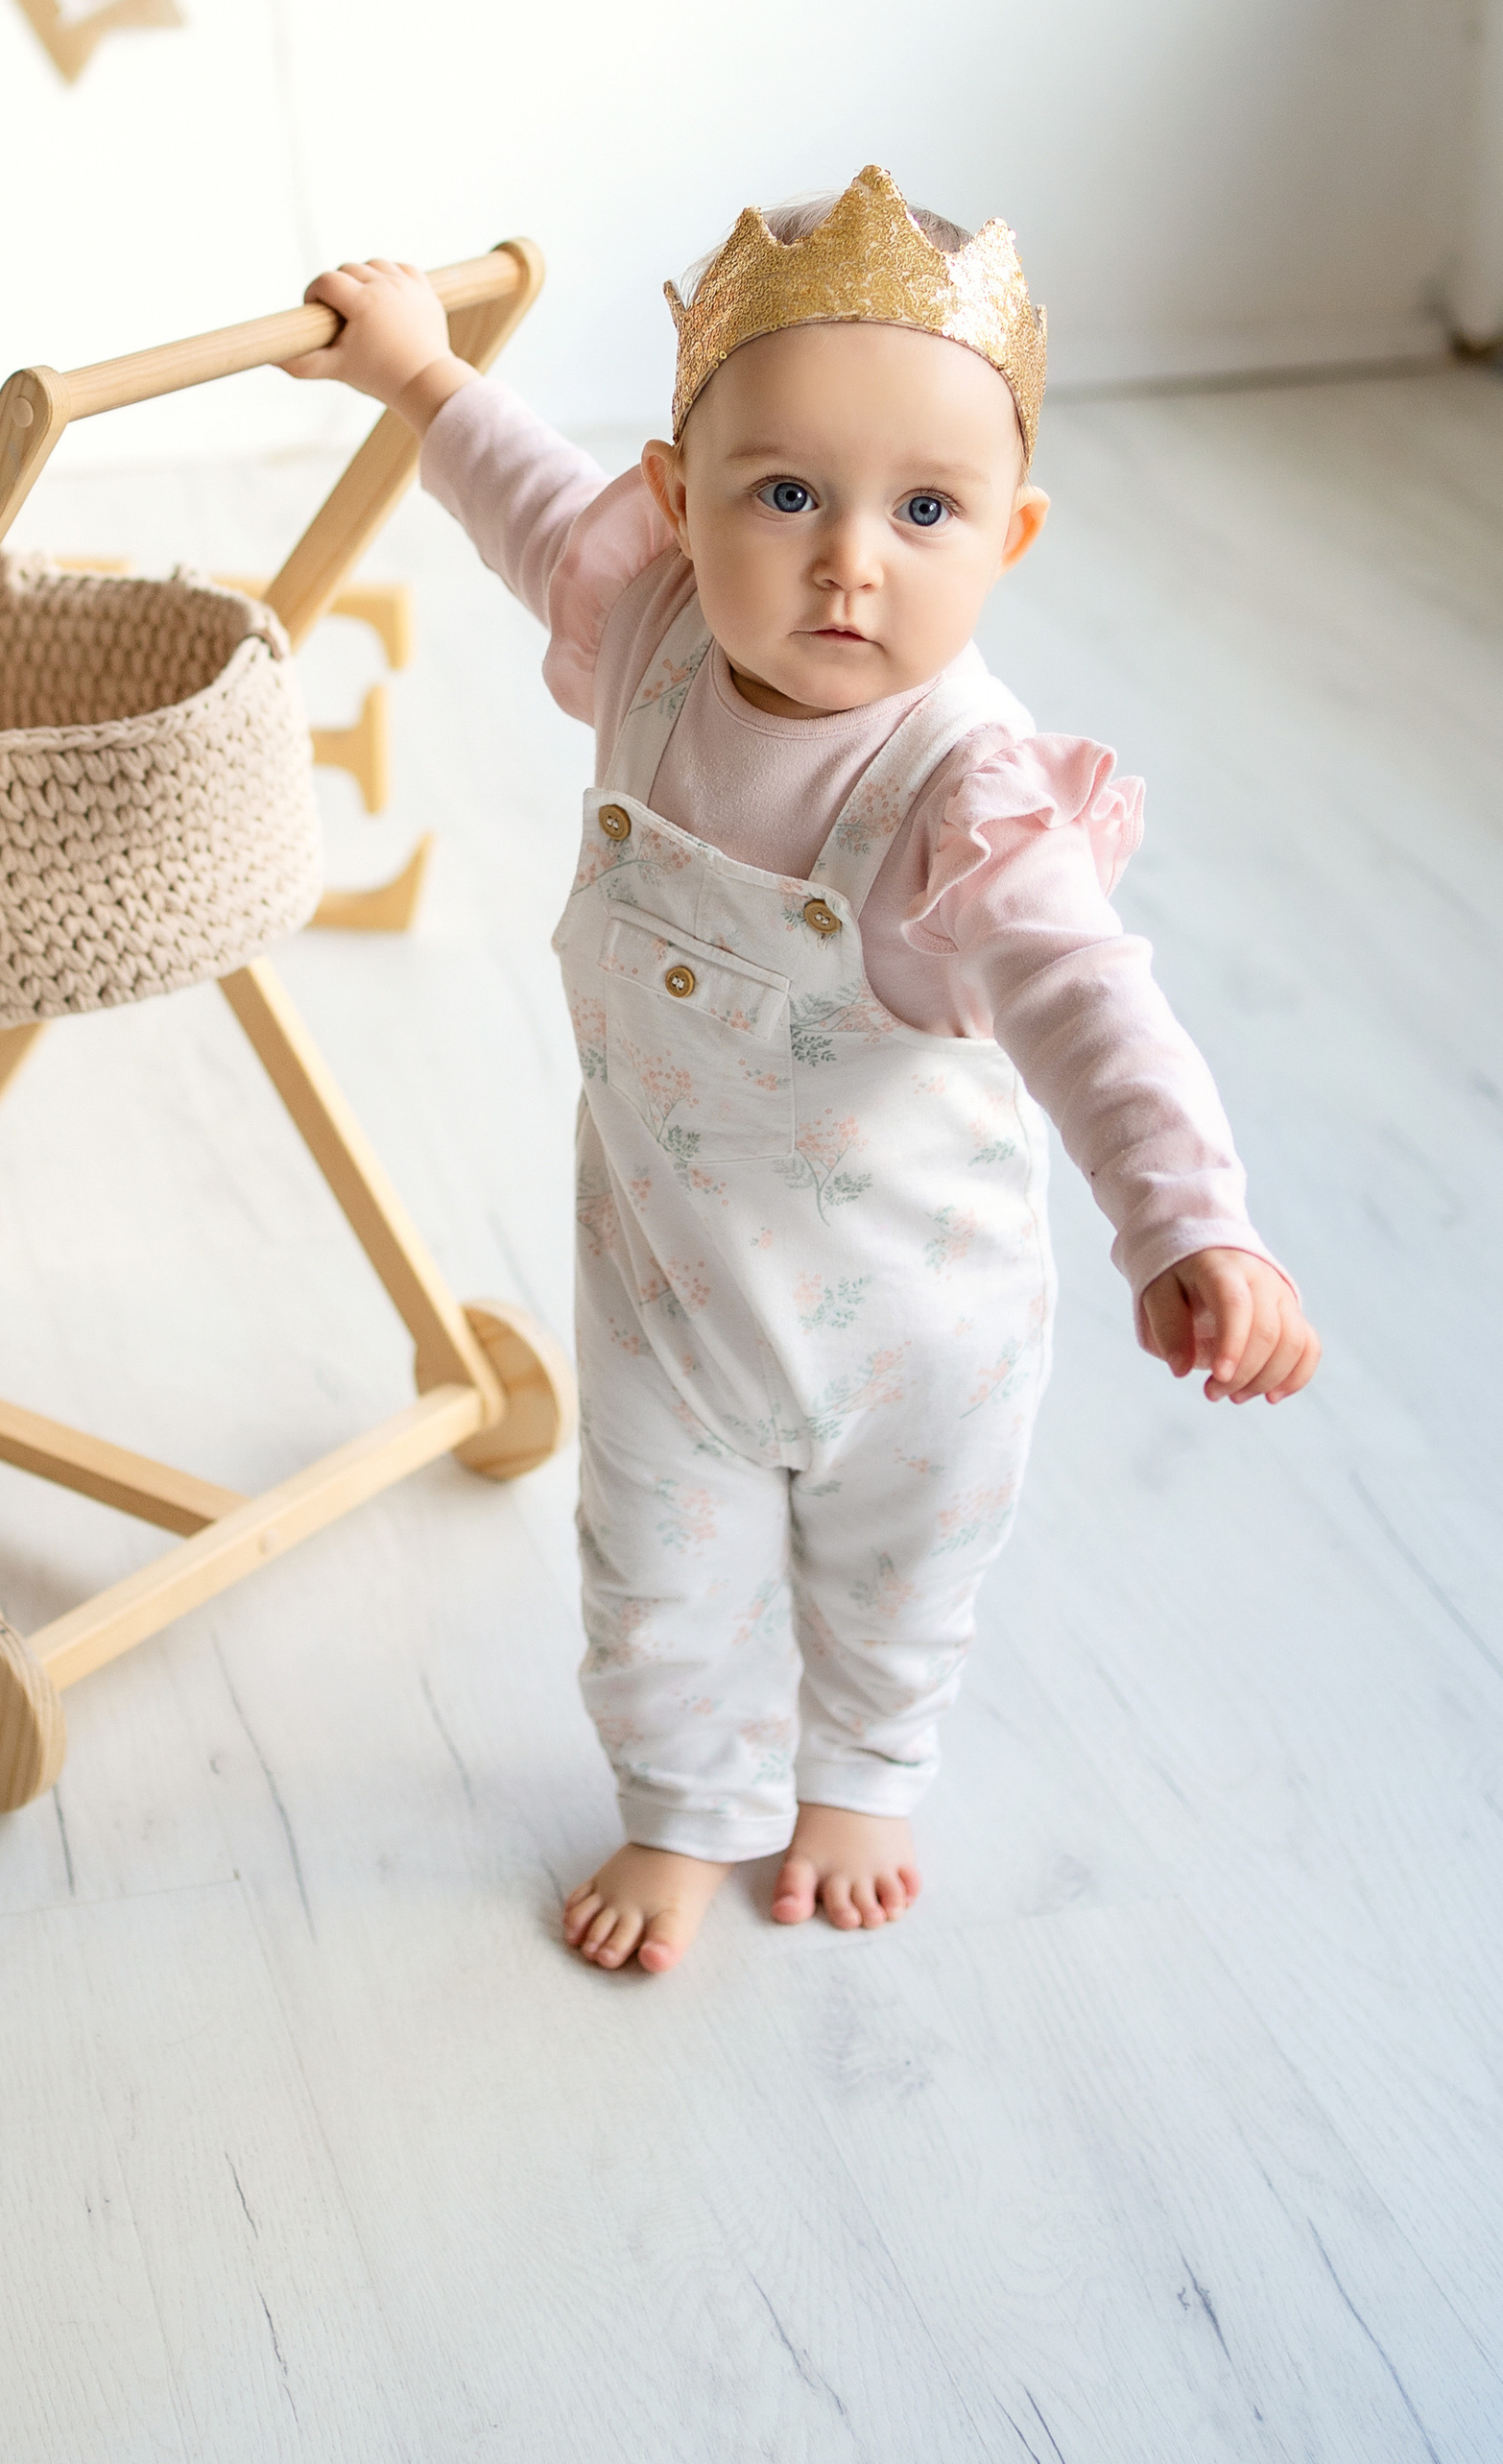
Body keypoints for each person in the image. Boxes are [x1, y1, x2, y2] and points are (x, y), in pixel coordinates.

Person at [285, 167, 1319, 1975]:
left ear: (1010, 538)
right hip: (673, 1278)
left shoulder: (972, 793)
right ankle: (682, 1805)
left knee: (899, 1573)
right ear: (679, 508)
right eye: (787, 495)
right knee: (652, 1587)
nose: (853, 556)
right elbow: (530, 501)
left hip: (921, 1317)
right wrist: (426, 382)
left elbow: (1093, 1005)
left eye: (927, 508)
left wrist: (1191, 1225)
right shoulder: (653, 632)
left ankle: (867, 1766)